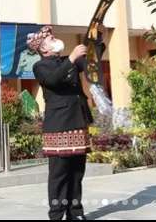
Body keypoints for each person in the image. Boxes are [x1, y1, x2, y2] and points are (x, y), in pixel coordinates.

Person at [31, 25, 97, 221]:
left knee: (77, 173)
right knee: (59, 176)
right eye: (50, 39)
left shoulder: (67, 60)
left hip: (77, 122)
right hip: (58, 126)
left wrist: (97, 37)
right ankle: (56, 215)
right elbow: (53, 79)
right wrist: (71, 58)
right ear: (43, 49)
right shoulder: (40, 66)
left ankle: (75, 213)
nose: (55, 39)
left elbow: (90, 58)